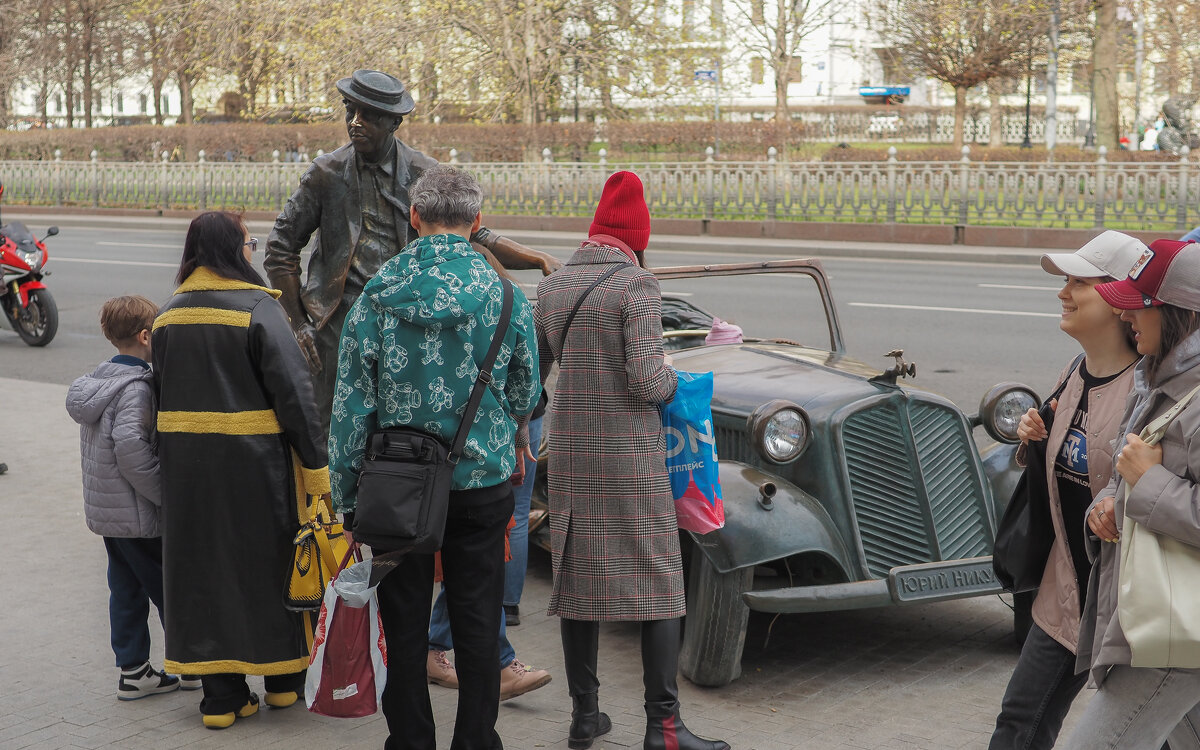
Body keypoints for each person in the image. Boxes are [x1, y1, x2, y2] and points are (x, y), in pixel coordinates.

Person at [329, 165, 540, 750]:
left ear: (414, 218)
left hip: (395, 488)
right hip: (480, 484)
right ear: (478, 222)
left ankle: (411, 740)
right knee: (477, 621)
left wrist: (347, 496)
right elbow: (526, 392)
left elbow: (350, 407)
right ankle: (476, 740)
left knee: (402, 625)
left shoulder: (376, 294)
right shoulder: (504, 294)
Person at [534, 171, 729, 750]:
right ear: (637, 234)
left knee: (579, 578)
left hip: (569, 451)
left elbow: (535, 378)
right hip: (628, 453)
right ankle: (664, 729)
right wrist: (683, 386)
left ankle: (584, 719)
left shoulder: (554, 286)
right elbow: (647, 382)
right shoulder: (637, 287)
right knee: (659, 581)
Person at [264, 68, 560, 432]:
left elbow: (473, 233)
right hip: (336, 325)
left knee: (403, 424)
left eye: (368, 115)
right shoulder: (325, 173)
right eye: (350, 111)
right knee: (334, 429)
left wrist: (538, 259)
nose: (355, 123)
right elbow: (280, 248)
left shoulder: (424, 172)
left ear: (393, 122)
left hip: (408, 318)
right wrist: (300, 325)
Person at [153, 212, 330, 730]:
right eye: (249, 242)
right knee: (267, 564)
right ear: (235, 249)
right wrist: (317, 470)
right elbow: (297, 398)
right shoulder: (258, 308)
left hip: (188, 474)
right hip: (258, 469)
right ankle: (281, 685)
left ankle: (220, 699)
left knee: (201, 570)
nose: (253, 250)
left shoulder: (166, 317)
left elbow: (157, 398)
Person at [987, 231, 1144, 749]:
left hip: (1131, 604)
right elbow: (1070, 473)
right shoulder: (1073, 374)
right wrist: (1034, 440)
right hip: (1068, 591)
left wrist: (1124, 507)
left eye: (1079, 282)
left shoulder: (1151, 390)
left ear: (1121, 299)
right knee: (1019, 722)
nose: (1063, 292)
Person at [1060, 239, 1200, 750]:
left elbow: (1152, 478)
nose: (1126, 316)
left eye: (1139, 305)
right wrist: (1113, 502)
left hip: (1179, 628)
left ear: (1180, 314)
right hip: (1172, 616)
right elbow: (1135, 476)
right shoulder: (1158, 380)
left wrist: (1146, 484)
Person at [66, 296, 199, 701]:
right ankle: (192, 664)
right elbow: (130, 447)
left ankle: (133, 670)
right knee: (170, 590)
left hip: (110, 515)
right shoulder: (137, 389)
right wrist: (165, 496)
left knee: (124, 588)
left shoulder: (98, 383)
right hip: (141, 517)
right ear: (146, 336)